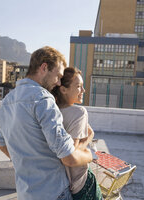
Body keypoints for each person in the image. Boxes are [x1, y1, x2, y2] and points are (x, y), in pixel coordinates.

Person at [0, 46, 93, 200]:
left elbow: (2, 145)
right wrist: (90, 155)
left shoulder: (6, 102)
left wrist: (27, 164)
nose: (58, 82)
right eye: (58, 76)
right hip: (54, 192)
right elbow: (69, 158)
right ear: (44, 67)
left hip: (25, 194)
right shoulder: (43, 99)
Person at [51, 67, 102, 200]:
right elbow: (72, 154)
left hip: (61, 183)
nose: (83, 91)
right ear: (63, 89)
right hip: (81, 182)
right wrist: (88, 150)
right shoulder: (79, 113)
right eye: (79, 86)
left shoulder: (51, 111)